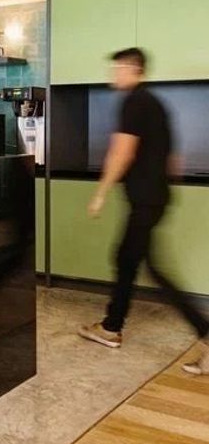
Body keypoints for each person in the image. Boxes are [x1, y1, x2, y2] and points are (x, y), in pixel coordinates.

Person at [78, 48, 208, 375]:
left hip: (146, 200)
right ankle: (111, 327)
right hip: (154, 198)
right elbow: (173, 159)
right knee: (128, 259)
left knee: (148, 267)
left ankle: (204, 332)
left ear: (132, 69)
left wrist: (100, 192)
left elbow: (122, 152)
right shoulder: (154, 103)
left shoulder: (134, 102)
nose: (114, 75)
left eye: (117, 69)